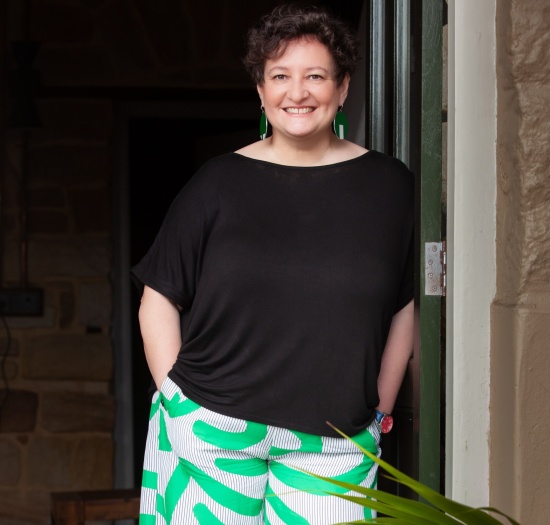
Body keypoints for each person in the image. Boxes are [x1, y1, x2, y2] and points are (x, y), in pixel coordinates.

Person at [131, 3, 414, 524]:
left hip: (337, 440)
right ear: (261, 91)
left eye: (316, 76)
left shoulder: (389, 186)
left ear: (343, 86)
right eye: (280, 76)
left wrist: (380, 410)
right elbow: (158, 297)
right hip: (211, 427)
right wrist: (177, 403)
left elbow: (403, 304)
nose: (297, 92)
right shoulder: (216, 183)